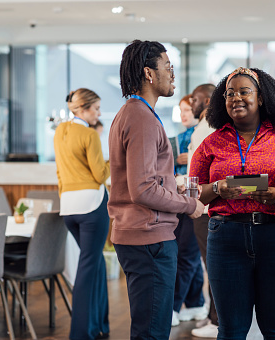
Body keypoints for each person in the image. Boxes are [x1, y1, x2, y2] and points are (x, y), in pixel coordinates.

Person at [190, 67, 275, 339]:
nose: (236, 98)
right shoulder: (211, 142)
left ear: (262, 98)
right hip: (225, 238)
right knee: (230, 330)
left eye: (245, 91)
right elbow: (193, 195)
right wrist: (218, 188)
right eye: (230, 93)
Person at [108, 39, 204, 340]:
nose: (172, 74)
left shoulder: (133, 113)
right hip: (149, 239)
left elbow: (143, 180)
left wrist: (172, 184)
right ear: (149, 74)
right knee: (152, 332)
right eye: (167, 67)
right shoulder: (141, 118)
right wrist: (190, 206)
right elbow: (142, 189)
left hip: (140, 236)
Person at [53, 88, 111, 340]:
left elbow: (60, 173)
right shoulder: (89, 134)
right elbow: (100, 175)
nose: (98, 114)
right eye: (96, 108)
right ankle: (80, 334)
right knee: (89, 267)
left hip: (68, 207)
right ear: (83, 109)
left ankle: (100, 325)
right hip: (91, 205)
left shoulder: (59, 132)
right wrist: (117, 160)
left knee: (95, 262)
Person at [186, 83, 220, 338]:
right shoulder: (204, 126)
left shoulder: (208, 127)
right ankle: (215, 317)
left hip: (205, 207)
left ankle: (218, 320)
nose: (191, 102)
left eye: (196, 99)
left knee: (214, 266)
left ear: (207, 100)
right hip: (203, 204)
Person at [175, 94, 198, 175]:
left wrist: (192, 158)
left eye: (187, 110)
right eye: (181, 110)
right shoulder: (178, 138)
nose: (182, 115)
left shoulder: (203, 133)